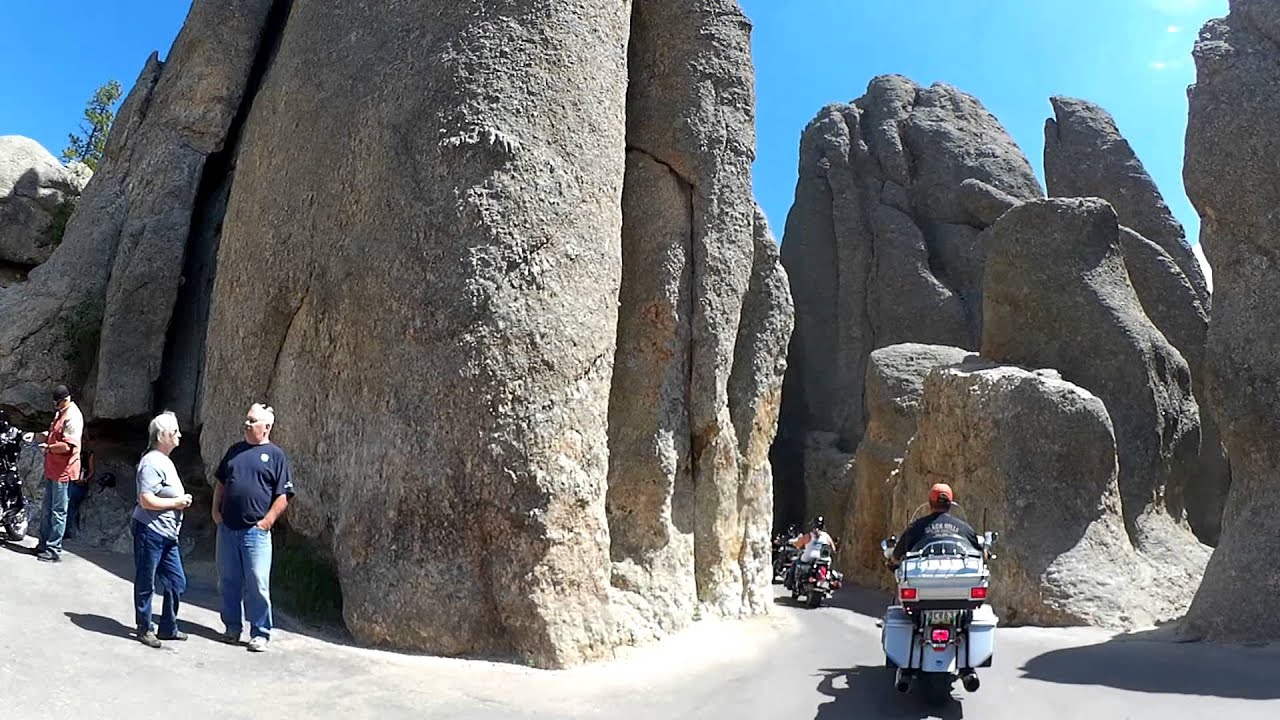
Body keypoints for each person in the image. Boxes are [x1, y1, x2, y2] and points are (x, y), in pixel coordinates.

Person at [213, 403, 295, 652]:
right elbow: (221, 483)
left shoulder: (275, 455)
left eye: (252, 421)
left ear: (266, 427)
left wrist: (267, 521)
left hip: (255, 533)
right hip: (227, 529)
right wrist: (215, 512)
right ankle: (232, 628)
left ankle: (260, 632)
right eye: (247, 420)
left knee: (257, 582)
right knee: (228, 580)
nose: (247, 425)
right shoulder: (235, 451)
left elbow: (284, 495)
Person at [132, 411, 193, 648]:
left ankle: (168, 627)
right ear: (162, 435)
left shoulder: (164, 461)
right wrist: (177, 503)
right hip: (151, 530)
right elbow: (146, 500)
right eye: (174, 431)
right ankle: (145, 627)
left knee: (177, 582)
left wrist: (180, 501)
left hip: (167, 534)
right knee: (146, 580)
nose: (179, 435)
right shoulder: (151, 462)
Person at [23, 384, 83, 562]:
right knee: (47, 509)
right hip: (52, 469)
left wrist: (48, 448)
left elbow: (67, 446)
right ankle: (43, 544)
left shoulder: (73, 417)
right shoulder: (61, 412)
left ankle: (54, 550)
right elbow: (53, 433)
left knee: (58, 511)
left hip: (63, 470)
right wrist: (36, 436)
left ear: (65, 400)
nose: (55, 406)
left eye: (57, 403)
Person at [889, 483, 980, 568]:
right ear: (950, 503)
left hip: (920, 579)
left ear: (930, 502)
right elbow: (980, 554)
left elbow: (896, 557)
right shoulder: (964, 528)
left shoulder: (916, 527)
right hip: (962, 578)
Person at [786, 515, 835, 589]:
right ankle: (827, 578)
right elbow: (833, 549)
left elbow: (798, 543)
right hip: (824, 559)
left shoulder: (809, 536)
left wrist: (793, 543)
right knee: (828, 568)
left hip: (809, 557)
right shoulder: (826, 536)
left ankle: (790, 583)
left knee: (795, 563)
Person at [65, 446, 95, 540]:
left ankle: (66, 531)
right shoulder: (73, 449)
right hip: (71, 480)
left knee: (71, 507)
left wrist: (84, 480)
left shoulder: (89, 453)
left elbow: (91, 470)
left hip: (80, 483)